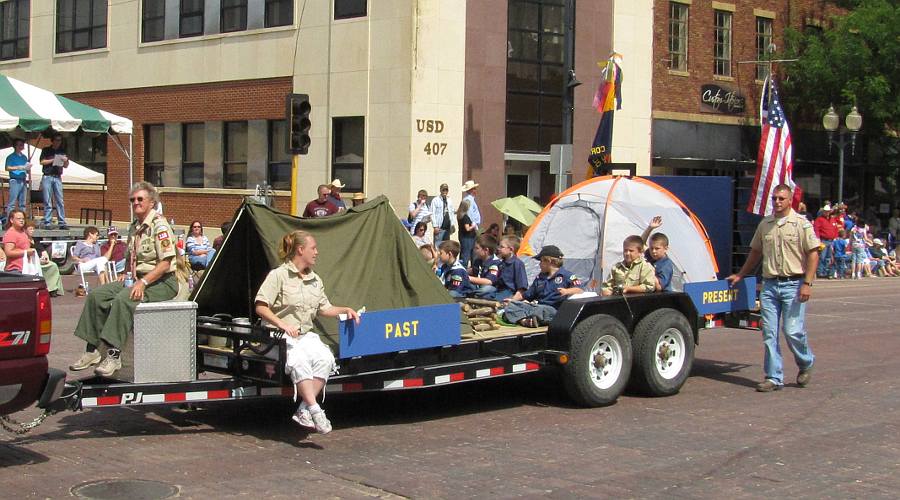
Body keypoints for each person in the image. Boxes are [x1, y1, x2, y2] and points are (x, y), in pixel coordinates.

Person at [254, 230, 360, 435]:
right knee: (299, 361)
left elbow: (324, 308)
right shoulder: (279, 275)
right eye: (313, 248)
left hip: (304, 335)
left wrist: (344, 310)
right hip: (278, 336)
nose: (317, 253)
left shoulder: (315, 279)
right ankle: (315, 409)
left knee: (326, 359)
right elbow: (261, 306)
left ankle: (303, 410)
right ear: (300, 250)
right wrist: (282, 325)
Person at [69, 182, 179, 377]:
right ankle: (92, 350)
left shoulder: (160, 226)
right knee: (97, 295)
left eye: (140, 199)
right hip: (137, 278)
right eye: (132, 200)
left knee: (123, 299)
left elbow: (166, 262)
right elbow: (132, 256)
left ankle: (113, 355)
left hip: (162, 281)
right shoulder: (135, 226)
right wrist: (126, 273)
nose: (135, 203)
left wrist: (143, 283)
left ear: (152, 202)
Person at [726, 184, 818, 392]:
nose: (777, 202)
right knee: (769, 332)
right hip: (770, 285)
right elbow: (756, 252)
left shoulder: (801, 224)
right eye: (775, 198)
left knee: (792, 331)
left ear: (790, 199)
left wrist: (807, 283)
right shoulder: (765, 224)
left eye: (781, 198)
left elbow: (813, 253)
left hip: (794, 284)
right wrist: (741, 274)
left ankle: (806, 362)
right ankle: (774, 377)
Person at [502, 245, 583, 328]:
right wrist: (512, 300)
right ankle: (524, 321)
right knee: (511, 306)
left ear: (549, 261)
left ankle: (524, 317)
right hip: (536, 306)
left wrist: (567, 291)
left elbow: (579, 290)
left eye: (541, 261)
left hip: (553, 310)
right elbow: (527, 295)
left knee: (540, 310)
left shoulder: (566, 275)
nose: (539, 264)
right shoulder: (540, 277)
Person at [39, 133, 70, 229]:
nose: (58, 142)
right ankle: (47, 222)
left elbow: (66, 166)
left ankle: (62, 222)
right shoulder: (46, 150)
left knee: (60, 200)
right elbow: (42, 162)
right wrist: (53, 160)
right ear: (52, 141)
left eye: (60, 140)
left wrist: (65, 160)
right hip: (47, 176)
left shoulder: (62, 151)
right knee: (48, 200)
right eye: (57, 140)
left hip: (57, 177)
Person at [640, 215, 679, 291]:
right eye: (651, 248)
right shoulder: (650, 254)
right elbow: (640, 244)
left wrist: (649, 270)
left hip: (662, 297)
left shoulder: (666, 265)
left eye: (657, 249)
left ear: (665, 249)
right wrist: (650, 228)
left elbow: (659, 288)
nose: (654, 251)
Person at [25, 221, 64, 296]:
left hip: (41, 260)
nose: (32, 231)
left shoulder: (36, 240)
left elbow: (43, 251)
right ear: (25, 230)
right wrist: (38, 260)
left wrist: (46, 258)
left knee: (53, 265)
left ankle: (53, 288)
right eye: (30, 229)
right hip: (32, 261)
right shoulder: (25, 241)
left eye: (33, 229)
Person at [4, 139, 30, 226]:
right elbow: (7, 168)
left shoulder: (24, 157)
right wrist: (17, 167)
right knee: (12, 203)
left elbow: (26, 168)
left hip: (23, 179)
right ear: (15, 146)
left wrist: (27, 168)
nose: (21, 146)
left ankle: (22, 222)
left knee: (22, 203)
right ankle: (9, 222)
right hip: (14, 180)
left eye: (22, 145)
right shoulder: (10, 157)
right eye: (19, 145)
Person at [494, 235, 528, 300]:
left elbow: (522, 286)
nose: (499, 249)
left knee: (496, 299)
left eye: (502, 247)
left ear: (511, 249)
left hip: (510, 291)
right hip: (498, 289)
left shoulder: (517, 264)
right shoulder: (501, 263)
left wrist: (513, 299)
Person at [813, 204, 838, 278]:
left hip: (831, 241)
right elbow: (816, 229)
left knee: (829, 257)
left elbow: (835, 229)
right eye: (826, 211)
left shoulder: (833, 220)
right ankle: (820, 272)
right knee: (822, 257)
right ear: (823, 212)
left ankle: (827, 272)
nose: (827, 213)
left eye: (828, 211)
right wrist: (818, 239)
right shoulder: (819, 220)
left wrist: (835, 237)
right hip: (823, 241)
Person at [457, 199, 477, 267]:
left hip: (463, 236)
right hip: (468, 238)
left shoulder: (459, 215)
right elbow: (467, 228)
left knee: (463, 254)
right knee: (466, 255)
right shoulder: (465, 217)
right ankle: (464, 268)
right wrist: (473, 226)